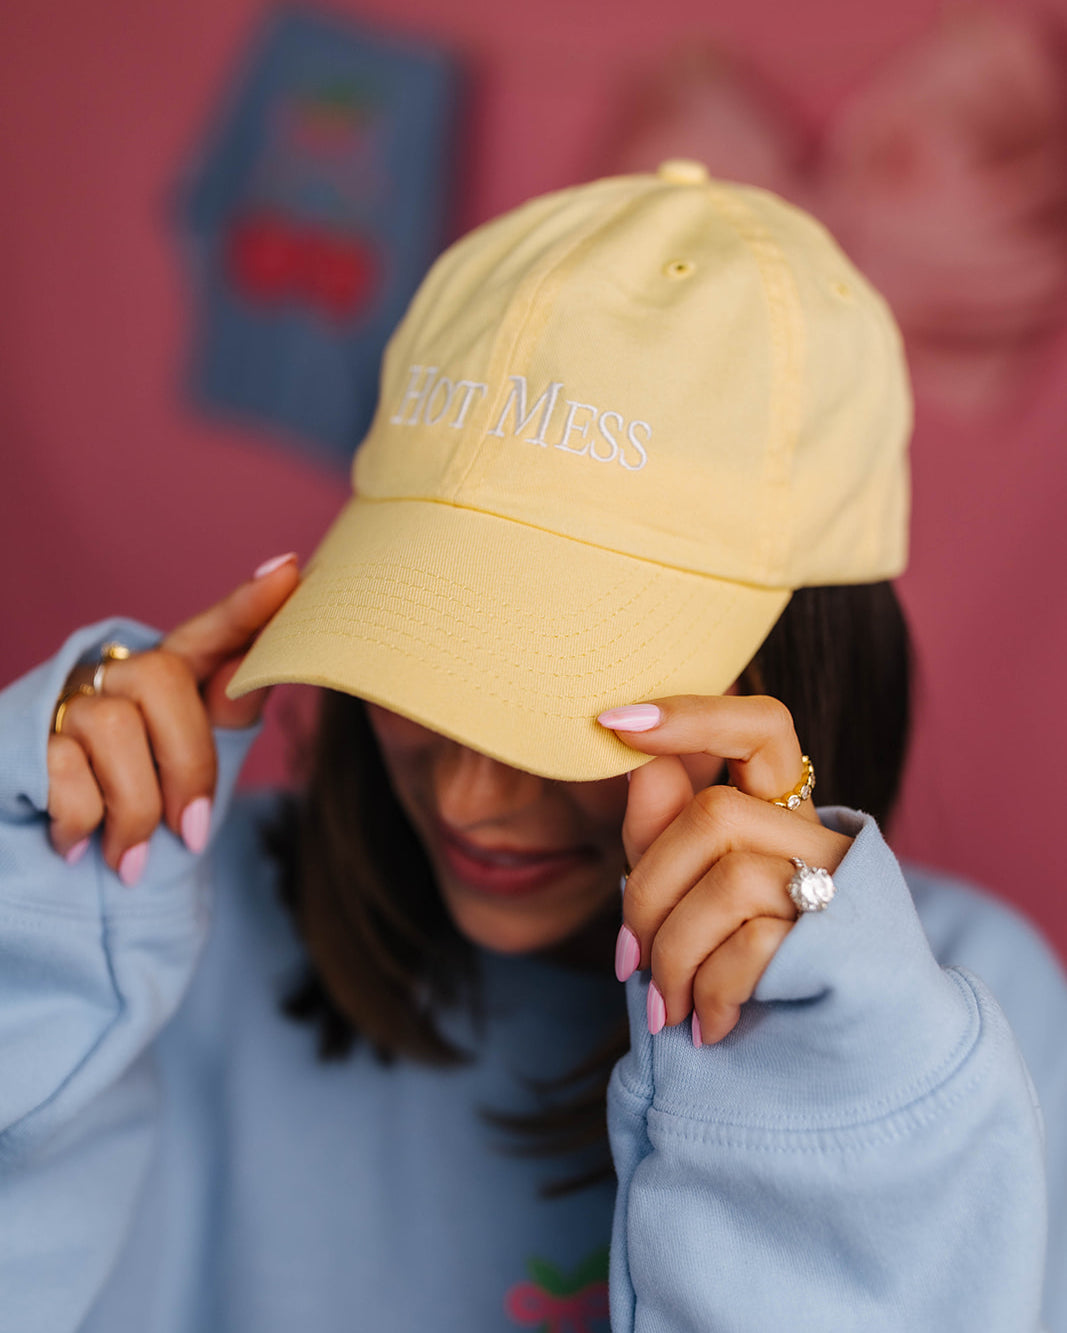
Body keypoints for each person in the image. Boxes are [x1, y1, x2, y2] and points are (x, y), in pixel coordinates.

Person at [2, 160, 1065, 1333]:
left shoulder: (970, 1030)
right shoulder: (175, 913)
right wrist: (34, 937)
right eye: (414, 654)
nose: (467, 791)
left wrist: (821, 1096)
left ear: (796, 671)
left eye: (566, 698)